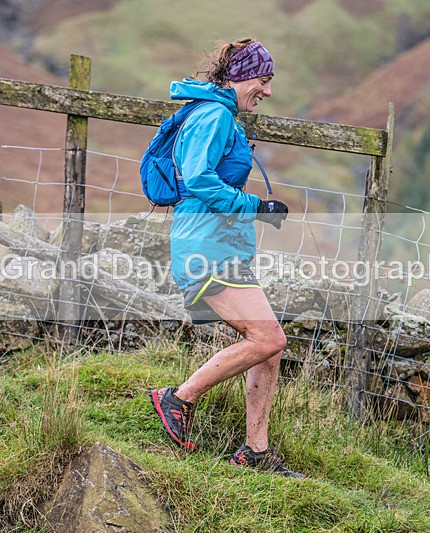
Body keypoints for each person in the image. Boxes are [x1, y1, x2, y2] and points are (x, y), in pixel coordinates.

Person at [149, 38, 304, 478]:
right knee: (270, 340)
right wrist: (255, 206)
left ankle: (254, 451)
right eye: (263, 80)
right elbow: (197, 178)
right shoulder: (214, 115)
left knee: (269, 350)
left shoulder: (221, 115)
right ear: (239, 77)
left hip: (223, 248)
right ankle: (178, 398)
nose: (267, 91)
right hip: (205, 249)